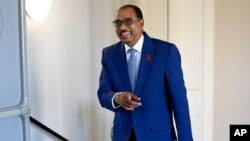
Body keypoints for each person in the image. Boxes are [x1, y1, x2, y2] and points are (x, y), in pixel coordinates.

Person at [97, 4, 193, 141]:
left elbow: (180, 104)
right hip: (123, 136)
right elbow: (103, 93)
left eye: (128, 21)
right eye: (117, 23)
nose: (122, 27)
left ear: (141, 23)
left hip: (157, 136)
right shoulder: (109, 54)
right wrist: (117, 98)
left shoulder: (166, 52)